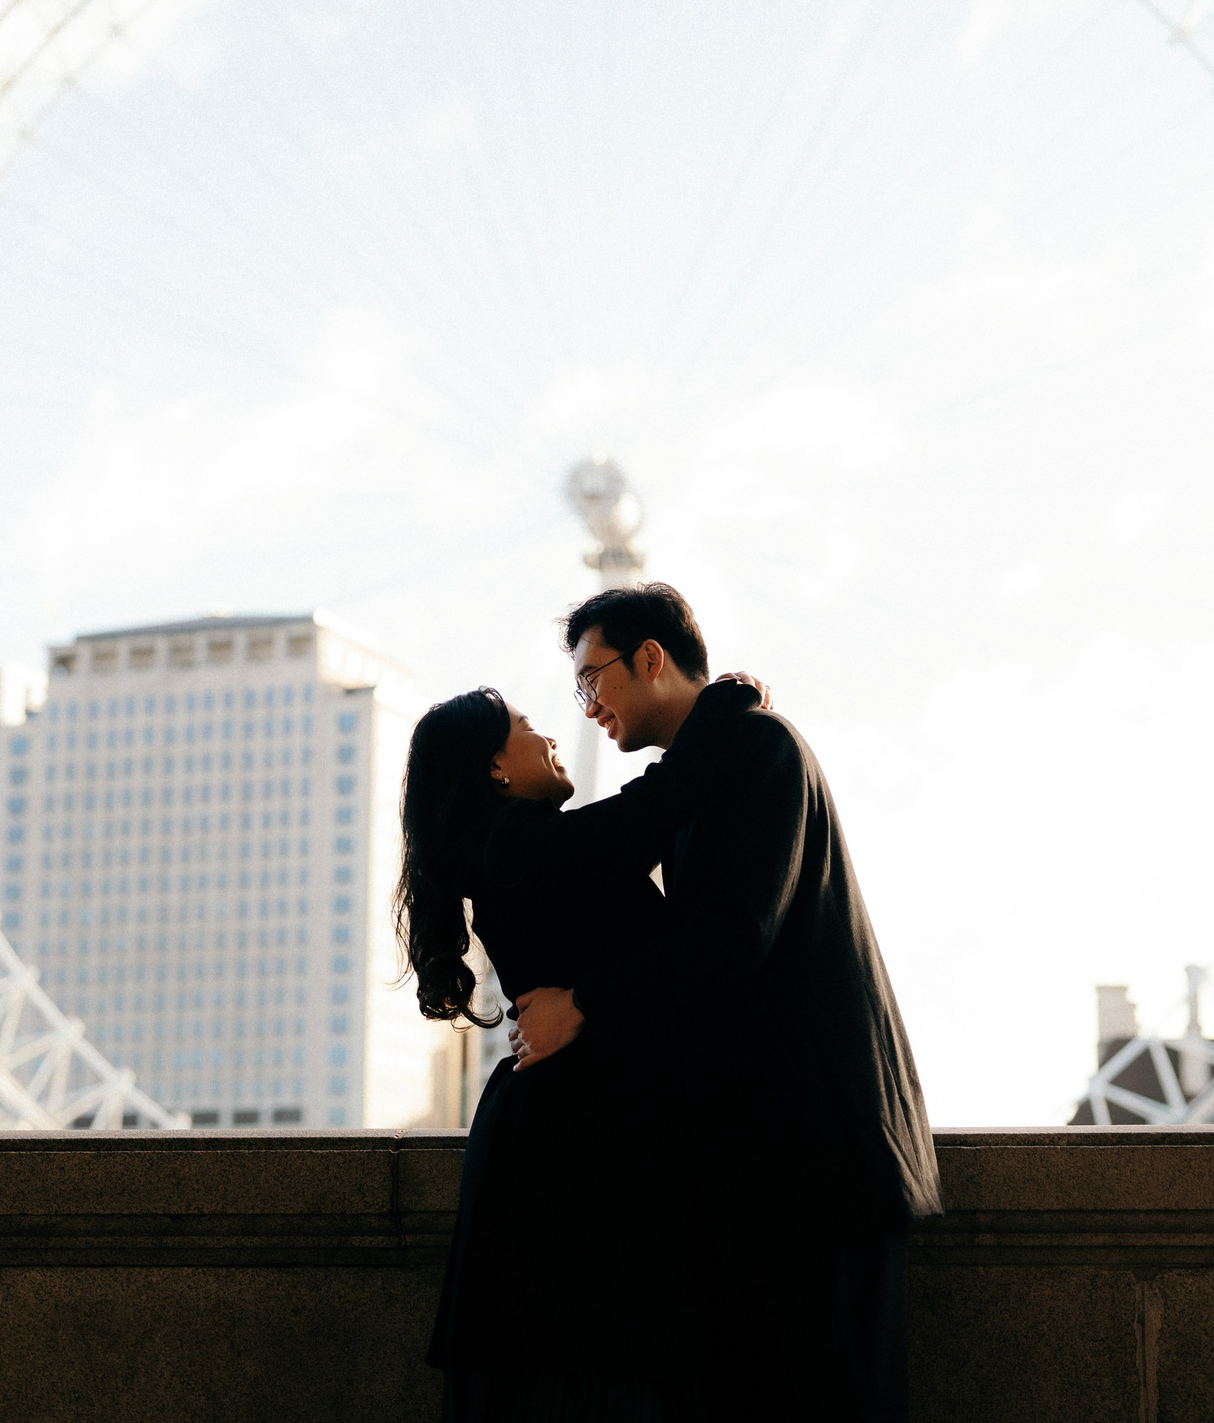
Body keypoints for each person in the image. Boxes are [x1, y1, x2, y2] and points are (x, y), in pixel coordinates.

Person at [510, 583, 937, 1423]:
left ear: (651, 658)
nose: (587, 705)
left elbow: (730, 935)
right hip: (783, 1174)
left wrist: (583, 1004)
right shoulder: (712, 761)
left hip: (819, 1170)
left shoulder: (758, 749)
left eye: (592, 679)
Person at [399, 677, 763, 1422]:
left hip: (571, 1132)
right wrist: (724, 705)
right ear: (494, 768)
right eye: (527, 725)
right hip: (574, 1145)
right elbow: (648, 814)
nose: (551, 735)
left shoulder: (518, 849)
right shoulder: (514, 844)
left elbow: (642, 829)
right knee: (593, 1367)